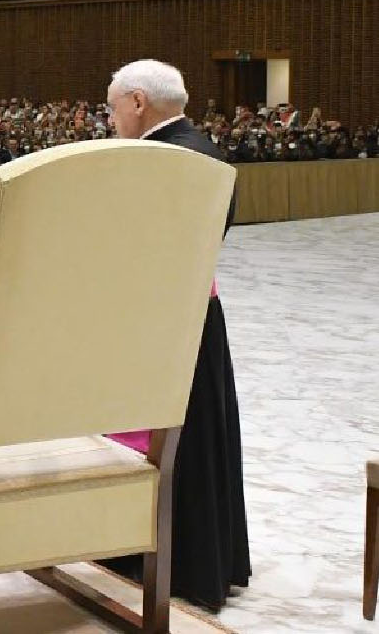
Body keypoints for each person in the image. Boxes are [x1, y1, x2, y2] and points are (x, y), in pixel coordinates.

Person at [100, 59, 250, 611]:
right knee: (199, 439)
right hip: (196, 314)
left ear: (138, 102)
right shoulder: (206, 149)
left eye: (114, 107)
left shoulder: (155, 158)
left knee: (163, 443)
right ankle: (203, 559)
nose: (112, 118)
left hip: (157, 321)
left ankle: (156, 557)